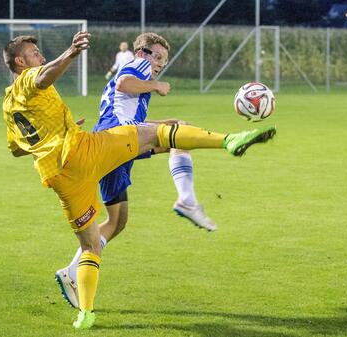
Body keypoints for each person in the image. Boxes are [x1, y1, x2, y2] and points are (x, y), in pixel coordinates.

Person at [2, 31, 275, 329]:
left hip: (60, 178)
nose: (40, 56)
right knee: (165, 131)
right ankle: (229, 141)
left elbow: (17, 148)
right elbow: (46, 78)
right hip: (87, 151)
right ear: (20, 61)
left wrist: (61, 129)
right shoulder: (32, 78)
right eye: (34, 53)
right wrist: (69, 54)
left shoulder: (8, 104)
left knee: (96, 241)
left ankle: (86, 313)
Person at [55, 32, 224, 311]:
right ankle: (186, 198)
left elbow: (131, 116)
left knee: (117, 221)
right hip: (114, 142)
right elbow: (124, 84)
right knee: (179, 136)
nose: (158, 64)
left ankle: (73, 270)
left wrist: (161, 121)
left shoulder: (138, 80)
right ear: (143, 52)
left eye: (163, 61)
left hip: (118, 141)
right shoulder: (139, 64)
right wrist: (155, 85)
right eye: (156, 57)